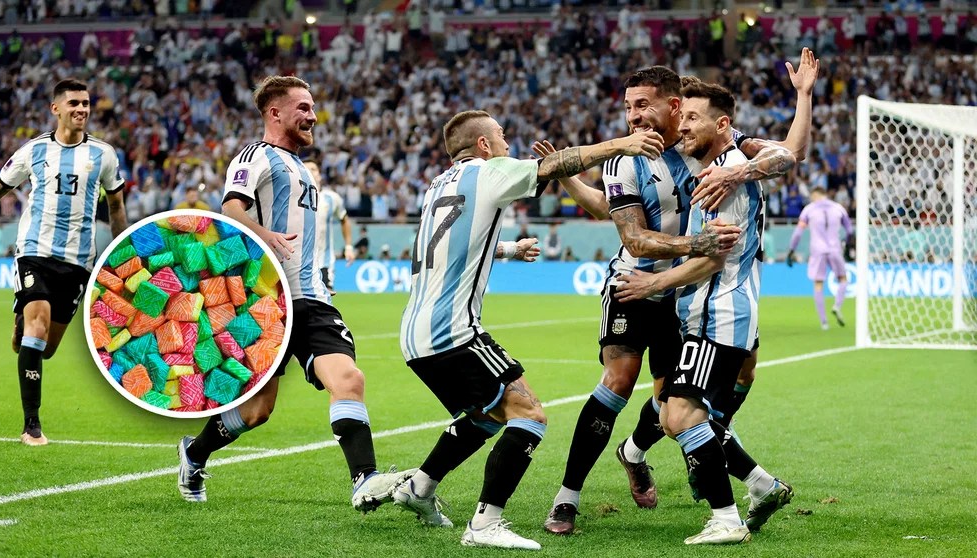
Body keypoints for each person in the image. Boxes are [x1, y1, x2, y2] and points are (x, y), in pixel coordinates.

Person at [540, 49, 816, 537]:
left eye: (643, 105)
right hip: (638, 284)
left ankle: (642, 454)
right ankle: (567, 498)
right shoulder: (626, 160)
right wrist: (698, 245)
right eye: (628, 107)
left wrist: (798, 103)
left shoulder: (699, 145)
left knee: (678, 405)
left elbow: (786, 155)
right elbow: (628, 231)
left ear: (673, 107)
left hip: (687, 293)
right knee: (622, 380)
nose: (634, 116)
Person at [391, 110, 664, 550]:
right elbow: (553, 165)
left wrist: (508, 249)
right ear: (482, 145)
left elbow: (448, 245)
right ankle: (485, 524)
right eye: (500, 136)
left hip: (414, 332)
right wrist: (620, 145)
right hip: (454, 330)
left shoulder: (439, 185)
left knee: (484, 416)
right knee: (529, 415)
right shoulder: (488, 170)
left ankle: (419, 488)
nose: (505, 143)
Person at [177, 76, 412, 511]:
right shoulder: (255, 157)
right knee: (256, 412)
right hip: (266, 303)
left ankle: (365, 481)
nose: (313, 116)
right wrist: (265, 234)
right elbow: (230, 210)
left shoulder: (303, 169)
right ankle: (194, 454)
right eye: (303, 108)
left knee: (348, 380)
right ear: (275, 113)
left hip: (313, 299)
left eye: (312, 107)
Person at [614, 81, 793, 545]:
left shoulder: (726, 175)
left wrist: (651, 283)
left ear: (722, 124)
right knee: (675, 410)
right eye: (683, 116)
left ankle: (726, 519)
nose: (684, 125)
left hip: (718, 313)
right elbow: (788, 152)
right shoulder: (720, 168)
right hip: (706, 314)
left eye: (693, 118)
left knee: (682, 415)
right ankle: (759, 486)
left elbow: (712, 257)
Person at [0, 78, 127, 445]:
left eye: (86, 103)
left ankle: (23, 324)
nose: (82, 109)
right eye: (75, 103)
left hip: (78, 260)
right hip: (35, 250)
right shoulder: (33, 151)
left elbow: (115, 204)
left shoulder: (104, 155)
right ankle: (31, 424)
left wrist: (124, 250)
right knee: (38, 328)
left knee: (45, 347)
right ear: (56, 109)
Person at [787, 186, 853, 329]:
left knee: (818, 284)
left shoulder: (809, 209)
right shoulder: (839, 208)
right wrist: (847, 245)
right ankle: (837, 305)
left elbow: (798, 233)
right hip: (835, 248)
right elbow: (849, 230)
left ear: (815, 195)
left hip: (818, 250)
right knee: (843, 279)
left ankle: (824, 322)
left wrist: (791, 251)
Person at [303, 159, 354, 296]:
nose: (310, 172)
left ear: (319, 174)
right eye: (306, 169)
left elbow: (344, 219)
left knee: (324, 302)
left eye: (313, 169)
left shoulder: (332, 198)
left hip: (324, 262)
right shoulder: (294, 197)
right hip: (300, 263)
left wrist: (348, 246)